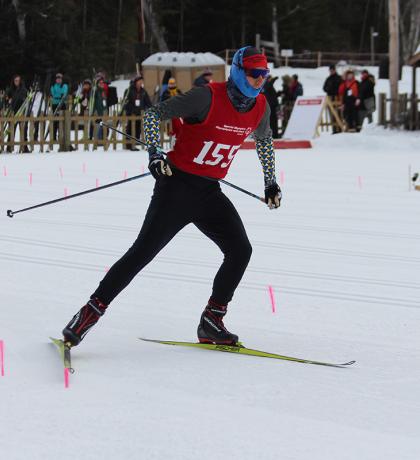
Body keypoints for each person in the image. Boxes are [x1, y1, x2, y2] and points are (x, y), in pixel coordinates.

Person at [61, 46, 282, 348]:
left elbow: (265, 141)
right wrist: (154, 153)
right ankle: (89, 312)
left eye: (264, 75)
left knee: (240, 250)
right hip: (176, 187)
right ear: (238, 71)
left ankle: (211, 321)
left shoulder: (261, 107)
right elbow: (153, 114)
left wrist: (270, 182)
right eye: (254, 74)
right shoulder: (206, 96)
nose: (259, 80)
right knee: (142, 253)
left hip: (209, 192)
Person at [124, 75, 152, 151]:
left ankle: (135, 143)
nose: (141, 83)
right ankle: (129, 145)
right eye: (139, 81)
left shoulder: (143, 91)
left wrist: (151, 108)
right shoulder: (129, 90)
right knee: (130, 129)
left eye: (142, 81)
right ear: (136, 82)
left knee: (137, 129)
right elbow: (126, 101)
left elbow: (148, 102)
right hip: (131, 113)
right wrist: (130, 109)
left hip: (139, 113)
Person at [5, 75, 29, 152]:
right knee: (11, 130)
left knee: (24, 130)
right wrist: (8, 100)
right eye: (15, 80)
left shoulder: (24, 90)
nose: (17, 82)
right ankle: (9, 147)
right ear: (13, 81)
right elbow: (6, 98)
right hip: (13, 112)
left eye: (18, 80)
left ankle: (25, 147)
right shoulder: (10, 89)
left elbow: (26, 99)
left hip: (21, 112)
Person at [323, 65, 343, 133]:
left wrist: (334, 90)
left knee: (338, 114)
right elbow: (324, 88)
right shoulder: (328, 79)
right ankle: (334, 129)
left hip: (337, 98)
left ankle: (339, 128)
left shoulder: (339, 78)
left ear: (335, 70)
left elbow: (341, 87)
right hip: (330, 98)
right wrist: (328, 89)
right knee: (331, 114)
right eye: (330, 70)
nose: (331, 71)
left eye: (332, 70)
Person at [50, 73, 69, 140]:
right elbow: (53, 93)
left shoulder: (64, 85)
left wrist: (58, 95)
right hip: (55, 104)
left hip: (62, 104)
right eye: (57, 79)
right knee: (55, 121)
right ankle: (54, 137)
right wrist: (58, 95)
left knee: (62, 121)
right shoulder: (53, 86)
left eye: (60, 79)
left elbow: (64, 93)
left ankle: (62, 136)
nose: (58, 80)